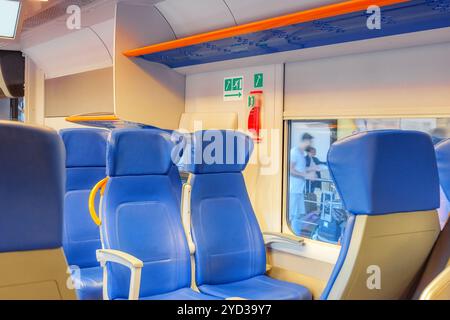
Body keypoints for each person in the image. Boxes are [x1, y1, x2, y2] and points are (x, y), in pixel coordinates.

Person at [289, 133, 317, 235]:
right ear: (305, 141)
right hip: (293, 189)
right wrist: (306, 175)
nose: (310, 144)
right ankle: (293, 236)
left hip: (299, 189)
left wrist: (311, 169)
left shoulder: (301, 154)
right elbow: (290, 170)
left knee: (297, 215)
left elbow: (300, 169)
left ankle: (296, 235)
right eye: (310, 142)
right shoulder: (294, 152)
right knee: (292, 215)